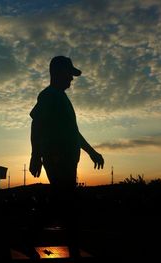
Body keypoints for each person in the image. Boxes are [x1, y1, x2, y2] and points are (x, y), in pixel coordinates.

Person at [29, 55, 104, 259]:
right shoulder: (49, 95)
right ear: (59, 73)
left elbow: (73, 133)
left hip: (67, 160)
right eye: (69, 74)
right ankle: (71, 248)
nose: (71, 79)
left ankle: (37, 239)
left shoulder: (61, 98)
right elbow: (37, 125)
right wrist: (35, 156)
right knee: (66, 203)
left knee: (62, 203)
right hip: (56, 159)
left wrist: (91, 151)